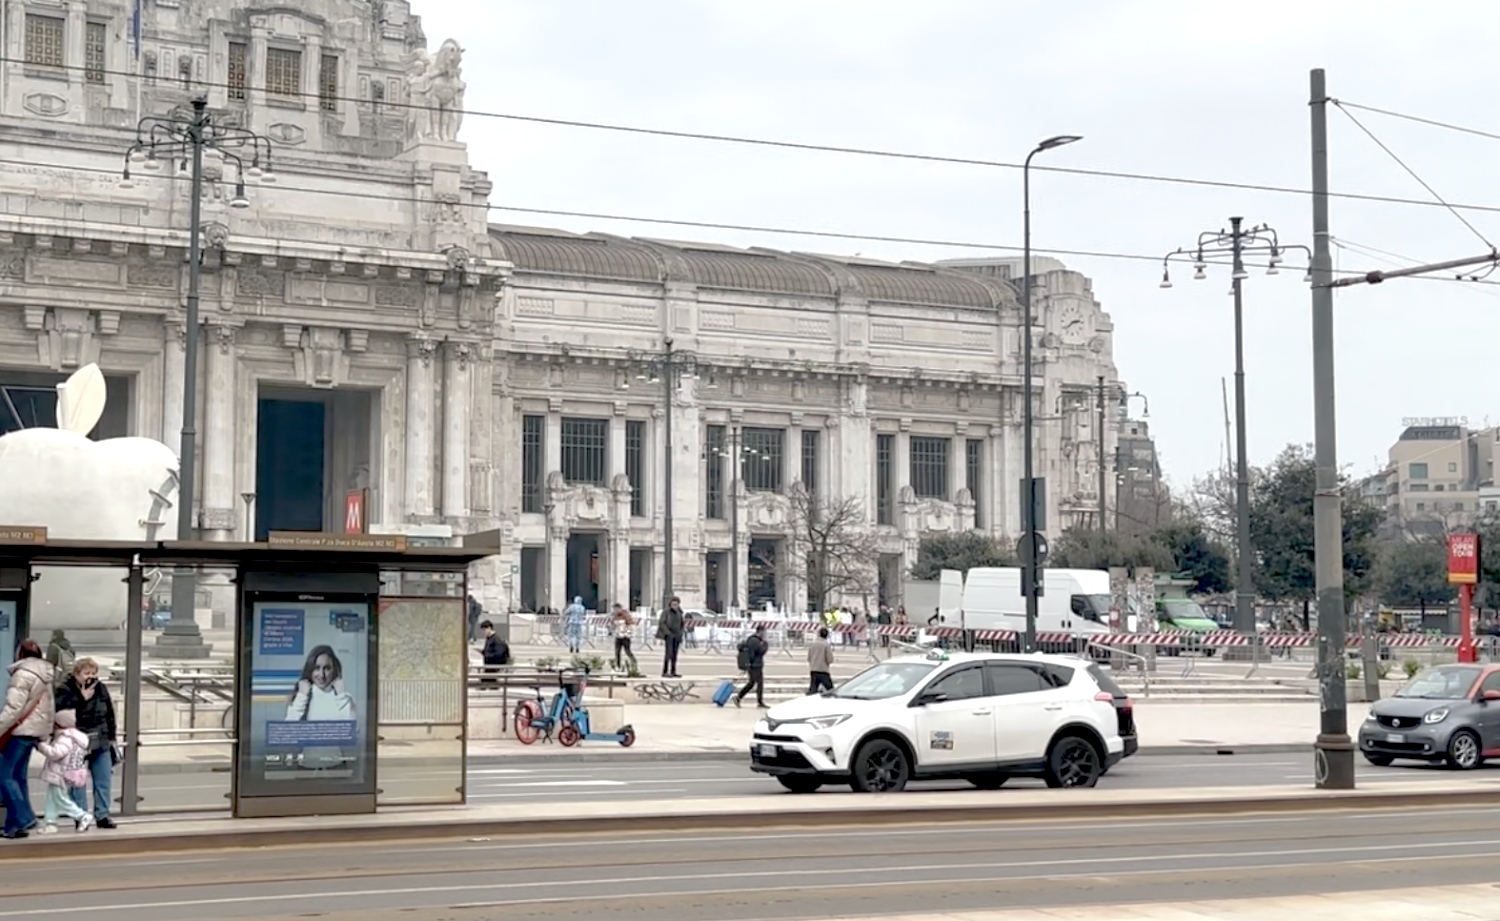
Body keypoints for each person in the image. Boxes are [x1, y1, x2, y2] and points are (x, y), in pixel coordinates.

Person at [0, 639, 55, 839]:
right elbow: (50, 707)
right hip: (33, 732)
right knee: (18, 777)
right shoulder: (45, 675)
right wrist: (45, 732)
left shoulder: (22, 674)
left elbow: (13, 708)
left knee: (5, 776)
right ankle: (13, 826)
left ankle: (24, 817)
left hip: (20, 731)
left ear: (20, 654)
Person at [55, 657, 117, 829]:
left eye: (93, 673)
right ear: (76, 674)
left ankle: (102, 815)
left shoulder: (101, 689)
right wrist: (81, 698)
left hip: (100, 738)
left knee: (103, 779)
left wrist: (111, 736)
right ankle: (81, 815)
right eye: (85, 673)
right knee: (77, 781)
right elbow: (60, 711)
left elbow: (109, 712)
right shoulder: (66, 689)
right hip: (77, 740)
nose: (89, 677)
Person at [35, 708, 91, 834]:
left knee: (60, 798)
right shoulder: (77, 737)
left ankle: (82, 816)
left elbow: (56, 753)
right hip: (65, 773)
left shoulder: (65, 738)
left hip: (59, 774)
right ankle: (51, 823)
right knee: (52, 798)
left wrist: (41, 746)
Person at [285, 646, 356, 722]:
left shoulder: (345, 698)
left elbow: (351, 729)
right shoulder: (300, 698)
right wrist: (301, 697)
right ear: (310, 669)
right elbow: (289, 729)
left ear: (334, 669)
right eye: (317, 668)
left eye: (327, 668)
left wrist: (341, 696)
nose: (321, 675)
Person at [735, 625, 769, 709]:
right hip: (754, 665)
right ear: (760, 632)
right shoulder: (755, 641)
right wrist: (765, 644)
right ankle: (739, 697)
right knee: (754, 683)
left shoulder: (752, 639)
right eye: (764, 632)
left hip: (754, 665)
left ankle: (758, 701)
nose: (765, 634)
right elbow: (761, 651)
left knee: (756, 683)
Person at [658, 596, 685, 678]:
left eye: (676, 604)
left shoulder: (679, 613)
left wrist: (681, 633)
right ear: (670, 604)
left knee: (674, 654)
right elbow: (662, 623)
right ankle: (665, 671)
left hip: (677, 635)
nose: (675, 606)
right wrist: (667, 633)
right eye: (673, 604)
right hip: (669, 635)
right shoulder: (666, 612)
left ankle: (673, 671)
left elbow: (682, 624)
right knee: (668, 654)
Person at [480, 619, 510, 687]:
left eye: (484, 630)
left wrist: (488, 655)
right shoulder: (490, 638)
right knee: (488, 682)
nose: (484, 632)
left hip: (492, 665)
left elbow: (499, 653)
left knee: (486, 682)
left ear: (489, 628)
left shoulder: (496, 639)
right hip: (490, 665)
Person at [807, 626, 835, 694]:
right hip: (823, 670)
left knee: (813, 690)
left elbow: (809, 658)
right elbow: (830, 659)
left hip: (813, 670)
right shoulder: (826, 645)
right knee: (831, 690)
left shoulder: (813, 644)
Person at [610, 604, 638, 673]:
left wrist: (629, 633)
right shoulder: (615, 616)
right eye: (614, 610)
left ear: (620, 609)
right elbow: (612, 624)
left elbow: (631, 624)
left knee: (627, 651)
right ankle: (618, 666)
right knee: (617, 652)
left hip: (625, 636)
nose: (615, 611)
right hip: (618, 636)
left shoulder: (626, 615)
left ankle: (634, 662)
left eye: (616, 609)